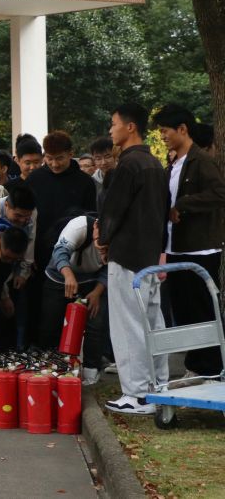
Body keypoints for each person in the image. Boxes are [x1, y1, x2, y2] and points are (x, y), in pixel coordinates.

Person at [98, 102, 170, 414]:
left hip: (127, 255)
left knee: (128, 327)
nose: (111, 129)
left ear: (130, 127)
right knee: (152, 323)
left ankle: (137, 394)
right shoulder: (154, 164)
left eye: (114, 123)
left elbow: (113, 211)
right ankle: (158, 386)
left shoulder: (128, 165)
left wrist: (103, 240)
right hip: (150, 255)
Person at [154, 104, 225, 377]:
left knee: (202, 310)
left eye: (165, 130)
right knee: (183, 311)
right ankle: (194, 367)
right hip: (176, 247)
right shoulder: (173, 163)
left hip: (200, 250)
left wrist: (183, 205)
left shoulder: (201, 161)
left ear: (182, 129)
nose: (162, 136)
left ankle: (211, 368)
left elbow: (219, 194)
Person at [25, 130, 97, 345]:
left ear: (70, 154)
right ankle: (41, 354)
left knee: (73, 314)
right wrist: (29, 256)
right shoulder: (35, 179)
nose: (54, 164)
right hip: (40, 256)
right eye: (49, 158)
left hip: (74, 258)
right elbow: (28, 221)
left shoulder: (85, 182)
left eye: (60, 158)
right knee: (42, 314)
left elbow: (91, 221)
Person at [37, 212, 108, 385]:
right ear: (96, 228)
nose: (103, 248)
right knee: (51, 323)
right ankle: (50, 367)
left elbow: (112, 268)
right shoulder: (79, 226)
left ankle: (92, 369)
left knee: (95, 323)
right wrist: (68, 275)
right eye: (101, 242)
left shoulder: (120, 237)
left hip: (93, 280)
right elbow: (60, 251)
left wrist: (97, 292)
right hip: (59, 277)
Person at [0, 182, 39, 349]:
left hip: (14, 262)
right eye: (18, 216)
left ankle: (18, 348)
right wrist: (3, 295)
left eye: (26, 217)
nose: (22, 221)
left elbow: (30, 243)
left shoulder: (32, 213)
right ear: (7, 205)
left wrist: (23, 272)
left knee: (18, 309)